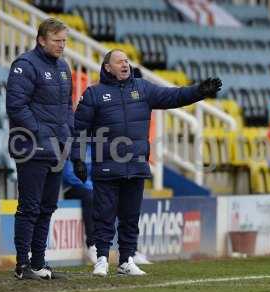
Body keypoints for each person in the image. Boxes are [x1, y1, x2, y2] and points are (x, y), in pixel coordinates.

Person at [71, 49, 222, 276]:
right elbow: (79, 129)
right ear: (107, 67)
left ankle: (126, 260)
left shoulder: (142, 88)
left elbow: (174, 96)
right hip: (107, 167)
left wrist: (199, 92)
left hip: (136, 165)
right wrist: (78, 159)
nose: (125, 64)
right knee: (104, 216)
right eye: (119, 61)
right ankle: (101, 259)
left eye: (127, 61)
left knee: (131, 217)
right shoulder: (94, 94)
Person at [6, 18, 73, 280]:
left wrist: (66, 132)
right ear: (41, 40)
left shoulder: (64, 68)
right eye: (57, 41)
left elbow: (67, 106)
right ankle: (23, 265)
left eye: (64, 41)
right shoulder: (25, 65)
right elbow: (16, 106)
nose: (62, 46)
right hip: (31, 148)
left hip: (56, 149)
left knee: (47, 208)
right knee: (30, 207)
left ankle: (38, 262)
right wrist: (42, 133)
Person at [62, 146, 97, 264]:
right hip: (72, 188)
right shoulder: (71, 146)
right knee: (90, 196)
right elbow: (68, 175)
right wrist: (90, 185)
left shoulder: (92, 147)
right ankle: (91, 244)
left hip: (90, 187)